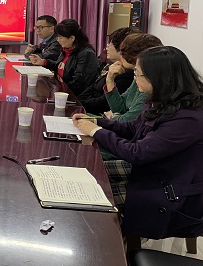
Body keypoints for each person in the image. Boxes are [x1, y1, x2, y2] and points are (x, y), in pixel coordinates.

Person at [73, 46, 203, 239]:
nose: (135, 79)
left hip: (169, 189)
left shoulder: (188, 118)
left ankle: (112, 246)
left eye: (138, 74)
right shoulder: (161, 100)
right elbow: (133, 128)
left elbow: (137, 153)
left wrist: (95, 131)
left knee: (91, 202)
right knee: (88, 173)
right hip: (150, 172)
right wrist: (97, 122)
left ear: (159, 78)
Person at [28, 18, 99, 96]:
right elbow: (60, 66)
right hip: (62, 92)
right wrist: (43, 62)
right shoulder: (66, 49)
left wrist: (59, 92)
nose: (58, 40)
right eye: (57, 38)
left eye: (60, 38)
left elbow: (78, 84)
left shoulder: (86, 54)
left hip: (75, 97)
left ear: (72, 38)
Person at [78, 27, 139, 115]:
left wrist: (79, 104)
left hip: (97, 113)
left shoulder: (127, 73)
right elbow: (92, 86)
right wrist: (77, 101)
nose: (106, 48)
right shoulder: (111, 65)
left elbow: (106, 104)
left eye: (109, 44)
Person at [102, 33, 162, 121]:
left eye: (123, 52)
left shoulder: (148, 83)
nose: (120, 55)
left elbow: (127, 120)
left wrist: (111, 118)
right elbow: (120, 108)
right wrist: (110, 80)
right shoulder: (137, 76)